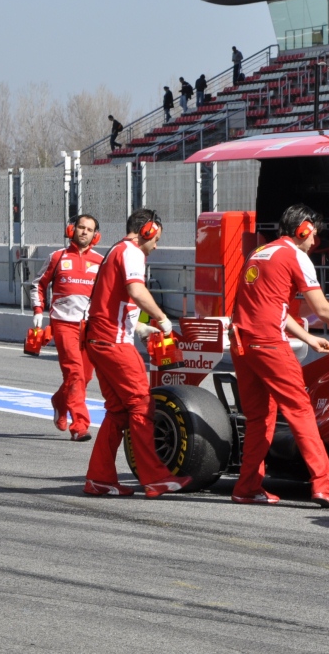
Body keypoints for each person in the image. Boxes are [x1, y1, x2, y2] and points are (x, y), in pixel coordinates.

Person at [230, 203, 329, 506]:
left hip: (242, 344)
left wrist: (307, 337)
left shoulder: (259, 253)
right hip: (270, 344)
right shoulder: (296, 256)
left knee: (259, 419)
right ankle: (323, 485)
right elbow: (322, 309)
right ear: (303, 230)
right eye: (313, 235)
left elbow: (271, 306)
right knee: (300, 412)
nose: (315, 241)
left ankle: (246, 487)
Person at [82, 209, 191, 498]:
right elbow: (136, 291)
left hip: (99, 339)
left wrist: (140, 328)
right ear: (147, 231)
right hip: (113, 343)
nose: (156, 245)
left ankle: (99, 478)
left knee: (118, 411)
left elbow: (113, 300)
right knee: (142, 405)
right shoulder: (132, 252)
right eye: (156, 239)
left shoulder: (116, 250)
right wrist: (162, 318)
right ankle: (155, 478)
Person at [30, 214, 104, 442]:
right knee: (74, 374)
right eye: (81, 227)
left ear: (95, 235)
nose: (84, 232)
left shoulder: (101, 261)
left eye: (89, 229)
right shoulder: (57, 257)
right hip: (62, 323)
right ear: (72, 230)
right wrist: (38, 311)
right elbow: (38, 284)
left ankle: (60, 402)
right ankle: (80, 426)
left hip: (90, 326)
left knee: (85, 377)